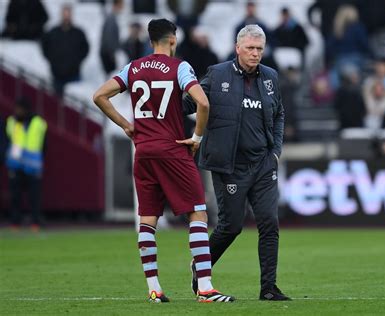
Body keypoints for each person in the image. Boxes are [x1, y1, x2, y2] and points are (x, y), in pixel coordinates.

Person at [92, 18, 234, 303]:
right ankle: (205, 287)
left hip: (143, 151)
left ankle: (154, 289)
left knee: (147, 220)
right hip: (172, 150)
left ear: (149, 40)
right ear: (173, 39)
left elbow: (99, 96)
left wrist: (125, 125)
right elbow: (203, 102)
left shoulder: (133, 67)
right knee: (197, 214)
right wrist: (196, 138)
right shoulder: (179, 67)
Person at [184, 24, 289, 301]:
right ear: (237, 48)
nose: (255, 54)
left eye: (259, 49)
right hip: (229, 165)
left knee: (269, 223)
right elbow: (188, 103)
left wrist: (275, 150)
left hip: (264, 164)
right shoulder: (217, 74)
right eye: (250, 48)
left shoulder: (270, 78)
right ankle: (200, 265)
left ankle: (268, 288)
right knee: (231, 226)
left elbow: (279, 114)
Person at [5, 97, 47, 230]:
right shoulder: (11, 121)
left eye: (20, 109)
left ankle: (35, 222)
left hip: (32, 165)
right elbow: (7, 140)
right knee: (15, 196)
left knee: (34, 196)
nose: (17, 111)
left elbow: (44, 144)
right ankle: (15, 222)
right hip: (16, 164)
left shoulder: (38, 122)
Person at [41, 5, 89, 96]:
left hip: (74, 74)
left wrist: (77, 61)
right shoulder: (53, 32)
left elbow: (85, 49)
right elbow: (45, 47)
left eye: (68, 14)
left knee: (74, 104)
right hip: (57, 75)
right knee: (56, 103)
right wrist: (52, 60)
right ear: (61, 15)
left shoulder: (78, 33)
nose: (66, 17)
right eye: (65, 14)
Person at [99, 0, 123, 76]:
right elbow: (109, 38)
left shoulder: (112, 18)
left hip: (108, 52)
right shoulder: (111, 19)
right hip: (108, 54)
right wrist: (112, 54)